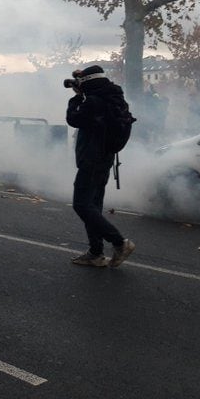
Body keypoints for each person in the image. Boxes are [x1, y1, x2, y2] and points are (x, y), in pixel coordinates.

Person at [65, 65, 136, 268]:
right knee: (93, 207)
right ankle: (96, 253)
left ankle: (119, 242)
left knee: (81, 204)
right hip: (105, 159)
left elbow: (73, 118)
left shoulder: (94, 102)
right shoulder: (113, 98)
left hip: (91, 161)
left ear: (87, 83)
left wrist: (77, 97)